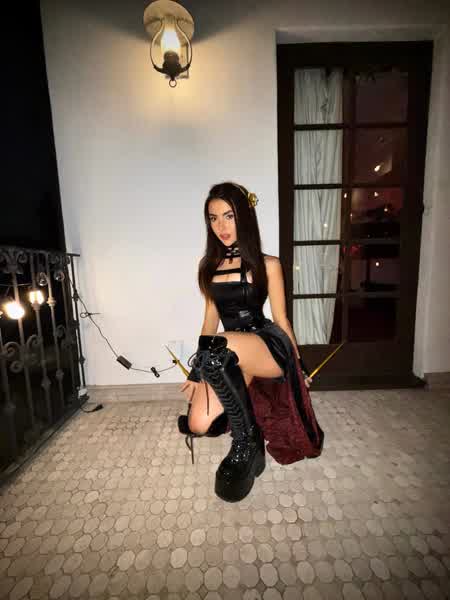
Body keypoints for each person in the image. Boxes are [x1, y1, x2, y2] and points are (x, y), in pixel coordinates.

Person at [179, 182, 324, 503]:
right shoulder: (208, 267)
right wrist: (195, 374)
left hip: (266, 346)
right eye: (213, 218)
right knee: (197, 423)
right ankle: (252, 437)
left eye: (229, 216)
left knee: (219, 345)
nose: (221, 226)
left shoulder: (268, 264)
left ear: (244, 217)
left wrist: (299, 366)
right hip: (228, 352)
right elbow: (209, 322)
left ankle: (243, 444)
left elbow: (282, 320)